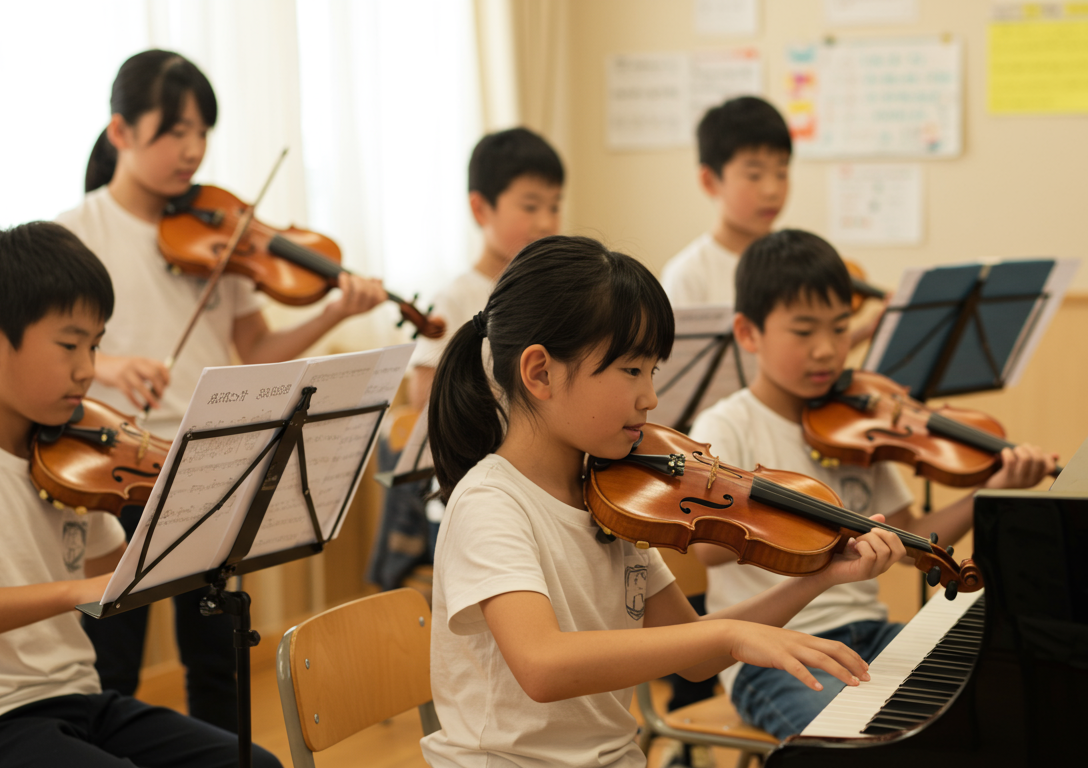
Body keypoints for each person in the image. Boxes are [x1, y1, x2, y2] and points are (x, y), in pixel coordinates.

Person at [420, 234, 908, 767]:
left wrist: (819, 577)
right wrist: (733, 634)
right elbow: (541, 664)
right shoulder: (491, 502)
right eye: (632, 370)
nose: (650, 397)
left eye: (652, 371)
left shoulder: (613, 497)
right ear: (540, 372)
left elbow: (694, 650)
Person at [56, 49, 387, 731]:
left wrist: (331, 313)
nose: (193, 150)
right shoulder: (75, 233)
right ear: (120, 132)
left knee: (217, 656)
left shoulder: (220, 229)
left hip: (208, 459)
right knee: (112, 655)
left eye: (202, 131)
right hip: (109, 465)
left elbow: (255, 348)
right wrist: (111, 366)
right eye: (174, 131)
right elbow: (52, 350)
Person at [0, 222, 281, 768]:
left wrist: (197, 506)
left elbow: (119, 570)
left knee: (253, 764)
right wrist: (68, 591)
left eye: (95, 345)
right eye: (70, 345)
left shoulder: (72, 461)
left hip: (80, 700)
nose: (89, 370)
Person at [689, 229, 1058, 739]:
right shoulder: (725, 427)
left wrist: (988, 491)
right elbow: (708, 552)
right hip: (771, 652)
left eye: (841, 330)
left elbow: (910, 538)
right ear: (749, 333)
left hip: (870, 634)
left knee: (1001, 689)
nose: (827, 350)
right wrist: (821, 524)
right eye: (803, 332)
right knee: (861, 741)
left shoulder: (856, 428)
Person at [369, 127, 564, 588]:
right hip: (476, 485)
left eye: (554, 206)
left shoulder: (554, 295)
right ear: (481, 208)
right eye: (530, 205)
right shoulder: (455, 299)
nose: (545, 221)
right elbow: (426, 401)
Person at [661, 96, 790, 308]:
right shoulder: (688, 275)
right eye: (754, 175)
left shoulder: (796, 265)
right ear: (709, 181)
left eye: (781, 172)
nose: (772, 190)